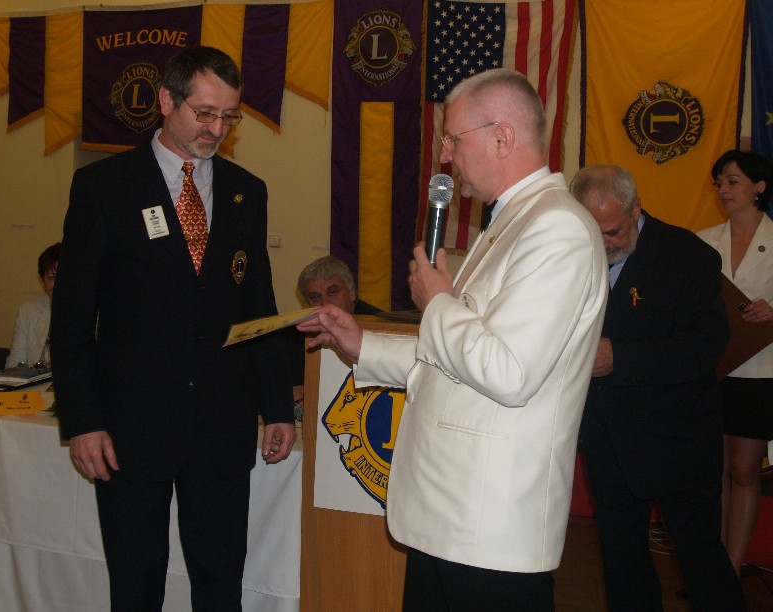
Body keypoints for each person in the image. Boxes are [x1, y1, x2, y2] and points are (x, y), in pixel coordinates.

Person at [299, 68, 608, 610]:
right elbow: (456, 361)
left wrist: (438, 301)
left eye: (452, 138)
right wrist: (362, 344)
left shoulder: (557, 227)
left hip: (489, 527)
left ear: (503, 137)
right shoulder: (511, 222)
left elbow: (508, 373)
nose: (444, 156)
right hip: (451, 518)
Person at [51, 46, 296, 611]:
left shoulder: (246, 191)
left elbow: (257, 305)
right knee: (136, 585)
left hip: (221, 426)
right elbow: (72, 316)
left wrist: (277, 405)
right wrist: (82, 420)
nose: (217, 129)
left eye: (229, 117)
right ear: (166, 100)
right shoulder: (103, 186)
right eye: (204, 113)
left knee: (220, 583)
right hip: (130, 429)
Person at [570, 164, 746, 611]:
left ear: (636, 209)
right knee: (621, 559)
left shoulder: (687, 256)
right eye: (591, 232)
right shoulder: (569, 250)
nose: (601, 244)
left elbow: (704, 348)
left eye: (611, 232)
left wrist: (620, 357)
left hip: (678, 437)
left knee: (700, 557)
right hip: (608, 435)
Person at [697, 150, 773, 577]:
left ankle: (733, 567)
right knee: (716, 468)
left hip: (760, 370)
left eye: (733, 181)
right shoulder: (704, 241)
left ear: (759, 187)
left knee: (745, 469)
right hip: (713, 369)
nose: (724, 190)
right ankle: (714, 569)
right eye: (720, 183)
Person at [288, 255, 380, 405]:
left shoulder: (382, 327)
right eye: (315, 297)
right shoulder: (295, 336)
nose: (325, 304)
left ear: (352, 293)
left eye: (332, 292)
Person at [5, 242, 60, 368]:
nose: (58, 284)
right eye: (52, 278)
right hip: (36, 380)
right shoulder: (27, 311)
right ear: (43, 281)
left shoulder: (91, 312)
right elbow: (14, 365)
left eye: (63, 277)